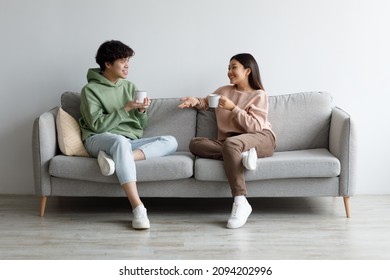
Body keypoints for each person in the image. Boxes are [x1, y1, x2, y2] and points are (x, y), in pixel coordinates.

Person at [79, 40, 178, 230]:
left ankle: (118, 160)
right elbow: (97, 125)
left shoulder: (129, 86)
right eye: (122, 61)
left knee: (171, 141)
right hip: (98, 139)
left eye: (128, 61)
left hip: (126, 142)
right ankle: (138, 207)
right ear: (107, 64)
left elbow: (140, 127)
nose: (127, 65)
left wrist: (141, 112)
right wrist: (126, 108)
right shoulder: (90, 90)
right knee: (119, 142)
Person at [179, 53, 276, 229]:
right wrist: (195, 101)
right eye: (228, 68)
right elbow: (206, 103)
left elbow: (255, 126)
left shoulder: (259, 95)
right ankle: (241, 154)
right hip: (233, 142)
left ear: (247, 71)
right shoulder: (224, 91)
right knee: (195, 143)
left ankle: (240, 201)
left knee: (232, 144)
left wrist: (234, 109)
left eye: (234, 67)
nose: (229, 71)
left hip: (261, 137)